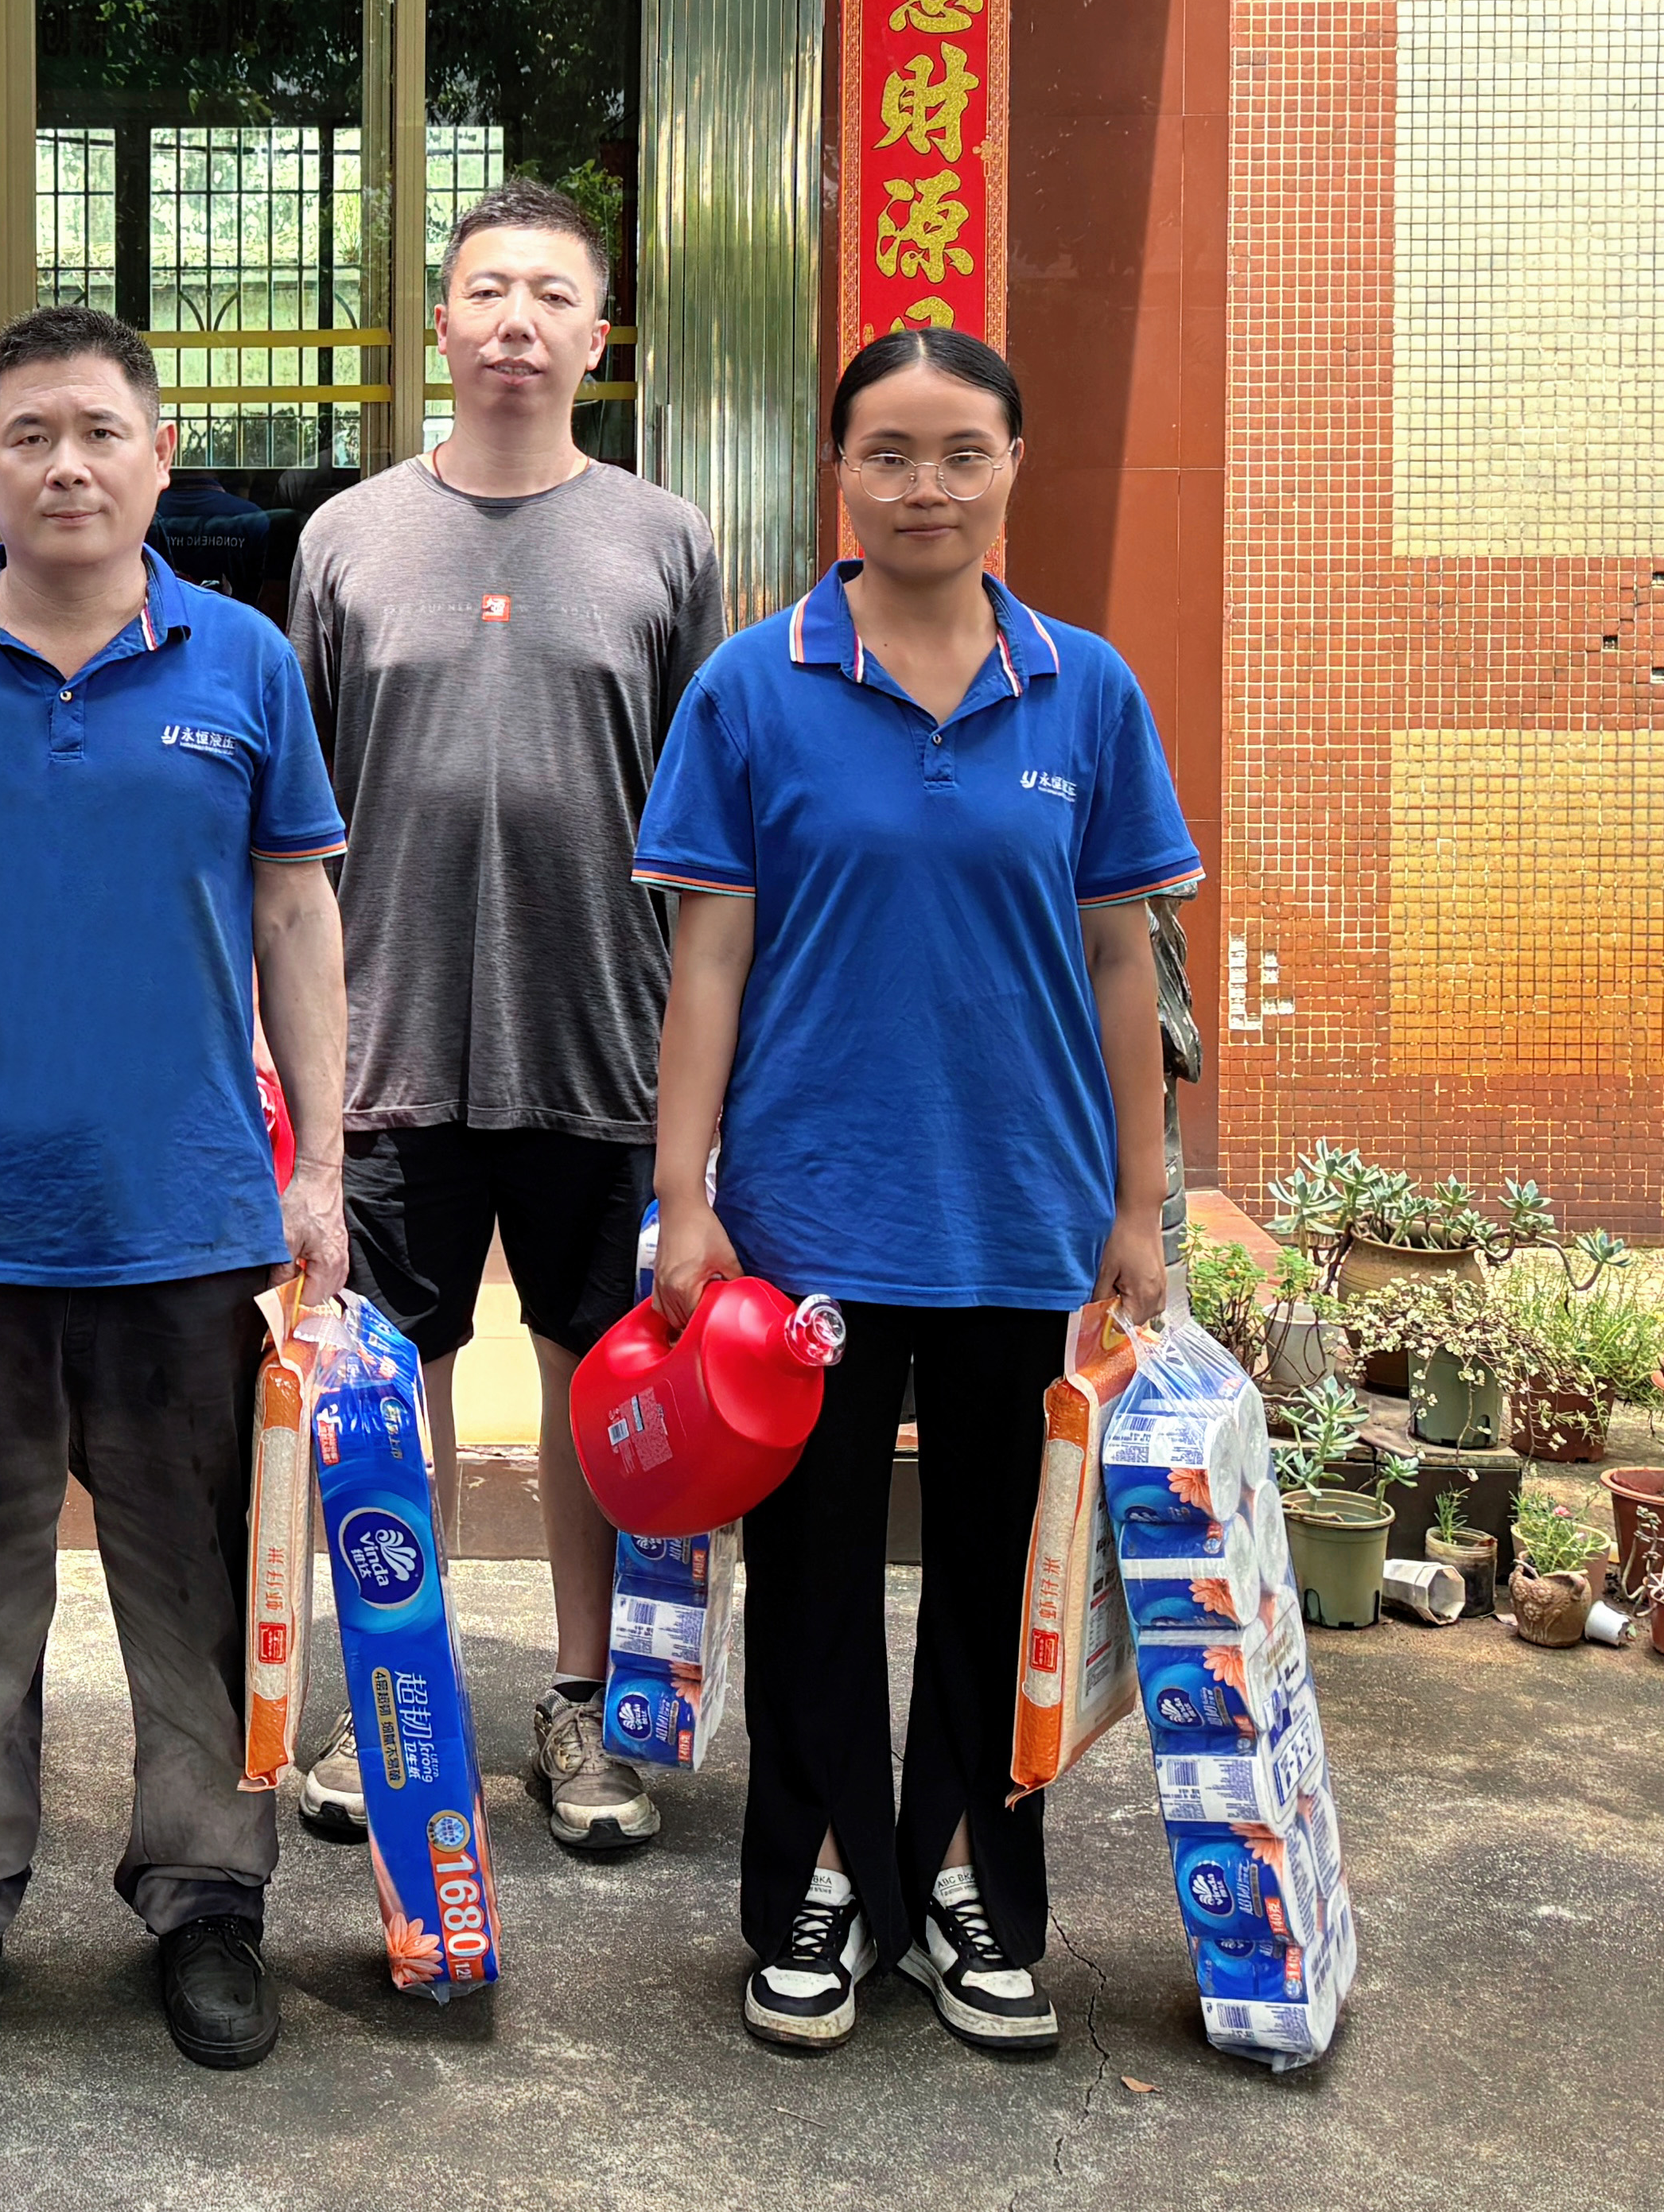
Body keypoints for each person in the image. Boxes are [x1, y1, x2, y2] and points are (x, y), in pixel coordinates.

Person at [0, 303, 352, 2073]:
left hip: (192, 1217)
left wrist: (324, 1171)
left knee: (203, 1583)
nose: (68, 466)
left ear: (161, 456)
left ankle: (208, 1900)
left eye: (102, 432)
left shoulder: (246, 662)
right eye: (31, 436)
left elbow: (296, 913)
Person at [631, 327, 1195, 2059]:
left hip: (1024, 1213)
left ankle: (964, 1881)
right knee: (809, 1574)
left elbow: (1123, 960)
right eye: (888, 453)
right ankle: (817, 1881)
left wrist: (1141, 1205)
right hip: (808, 1217)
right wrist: (683, 1190)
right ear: (840, 474)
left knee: (998, 1571)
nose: (925, 487)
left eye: (962, 454)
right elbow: (709, 959)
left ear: (1015, 466)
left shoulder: (1087, 691)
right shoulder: (753, 686)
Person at [286, 178, 721, 1860]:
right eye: (487, 290)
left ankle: (581, 1701)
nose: (517, 321)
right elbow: (294, 831)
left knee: (593, 1383)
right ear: (440, 323)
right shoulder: (347, 539)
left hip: (601, 1039)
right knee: (386, 1387)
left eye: (552, 295)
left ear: (600, 337)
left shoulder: (664, 541)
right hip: (388, 1041)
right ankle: (390, 1689)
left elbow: (710, 828)